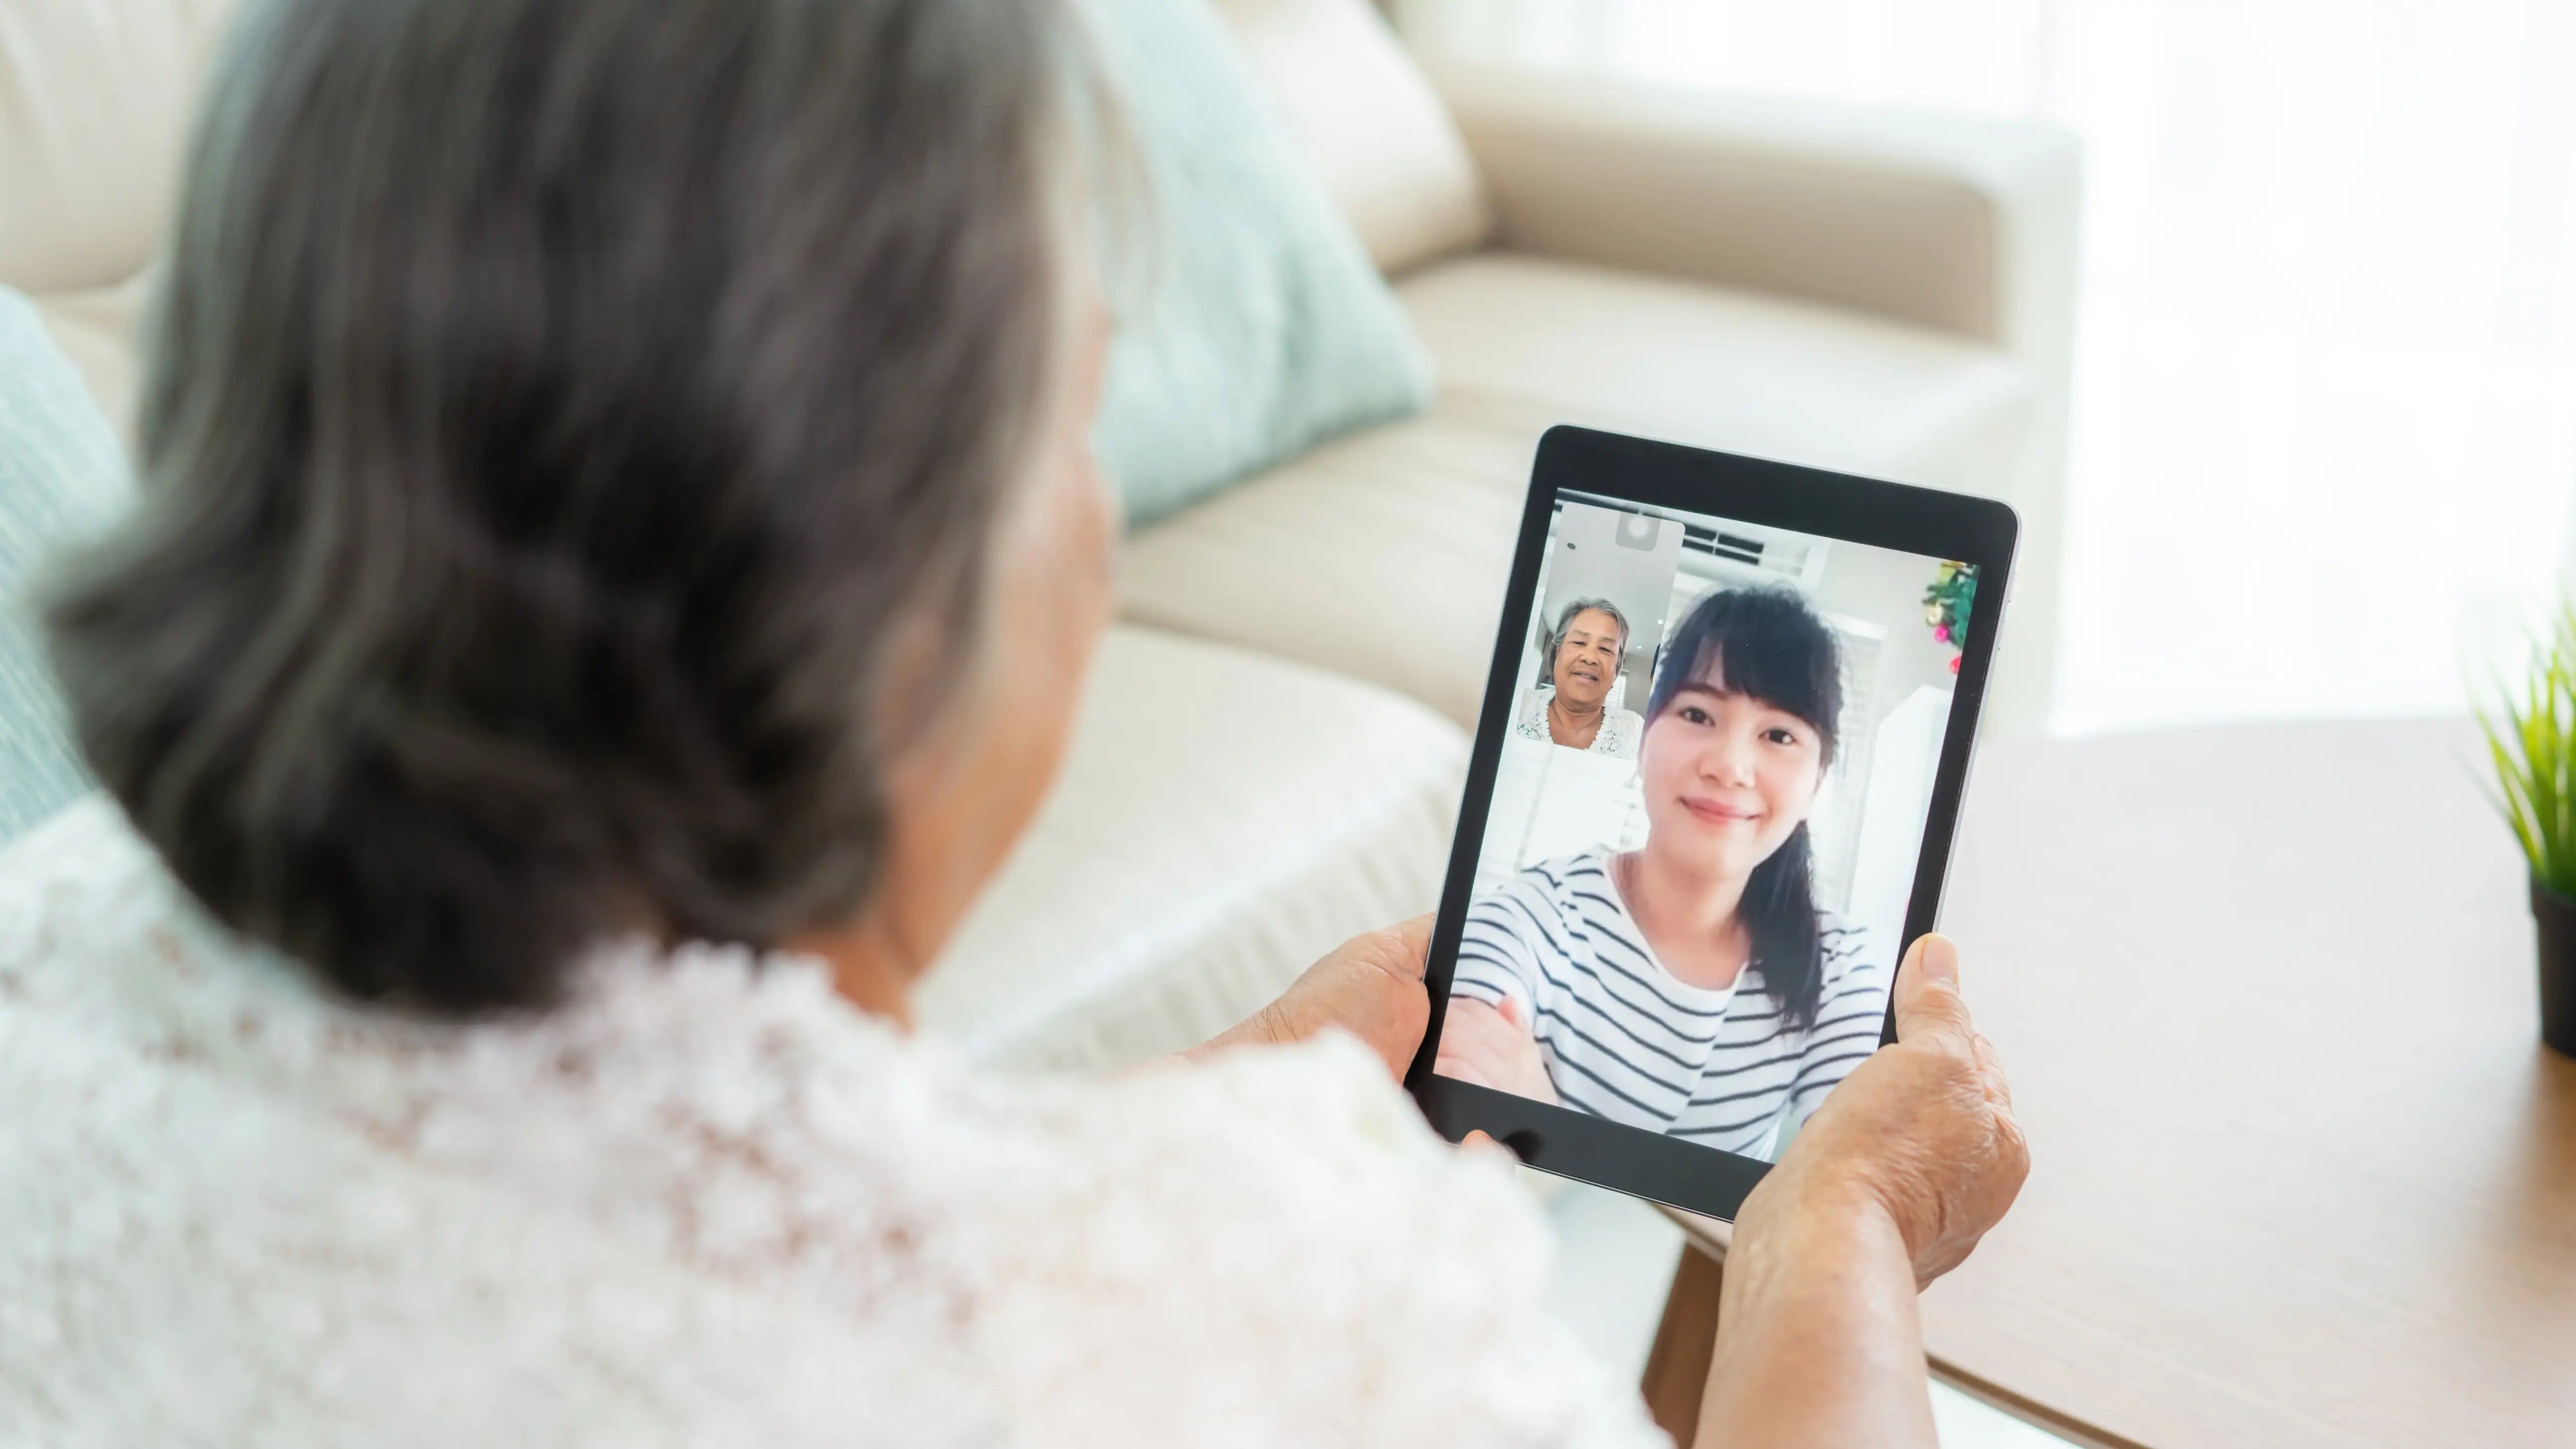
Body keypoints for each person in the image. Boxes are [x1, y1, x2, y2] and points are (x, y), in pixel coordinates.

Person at [0, 0, 2026, 1444]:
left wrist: (1219, 1106)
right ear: (874, 583)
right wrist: (1830, 1237)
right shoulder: (1305, 1317)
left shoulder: (45, 938)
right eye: (1075, 408)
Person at [1441, 588, 1880, 1157]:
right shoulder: (1535, 915)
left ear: (1816, 781)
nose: (1728, 766)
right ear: (1642, 739)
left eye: (1778, 735)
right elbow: (1455, 1111)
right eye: (1697, 714)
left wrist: (1540, 1125)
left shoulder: (1838, 968)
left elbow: (1854, 1191)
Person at [1514, 597, 1647, 757]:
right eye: (1579, 642)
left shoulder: (1637, 734)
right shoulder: (1516, 707)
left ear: (1617, 667)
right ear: (1558, 652)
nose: (1590, 658)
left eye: (1605, 649)